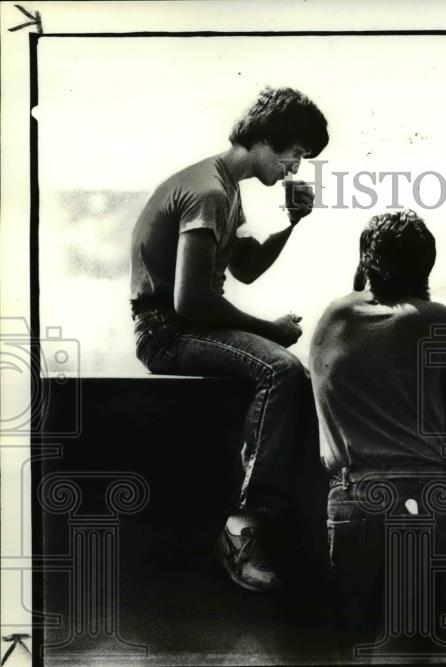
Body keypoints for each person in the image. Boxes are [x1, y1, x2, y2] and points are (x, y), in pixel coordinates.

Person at [129, 87, 328, 592]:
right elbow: (189, 301)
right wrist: (271, 330)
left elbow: (246, 268)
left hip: (188, 327)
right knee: (282, 369)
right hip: (168, 334)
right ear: (269, 139)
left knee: (283, 365)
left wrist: (292, 222)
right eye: (296, 154)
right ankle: (242, 529)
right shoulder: (209, 192)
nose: (295, 168)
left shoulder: (223, 186)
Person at [309, 209, 446, 639]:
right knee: (422, 647)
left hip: (353, 495)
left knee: (353, 645)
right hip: (424, 495)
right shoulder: (433, 318)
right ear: (426, 265)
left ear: (365, 262)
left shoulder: (333, 316)